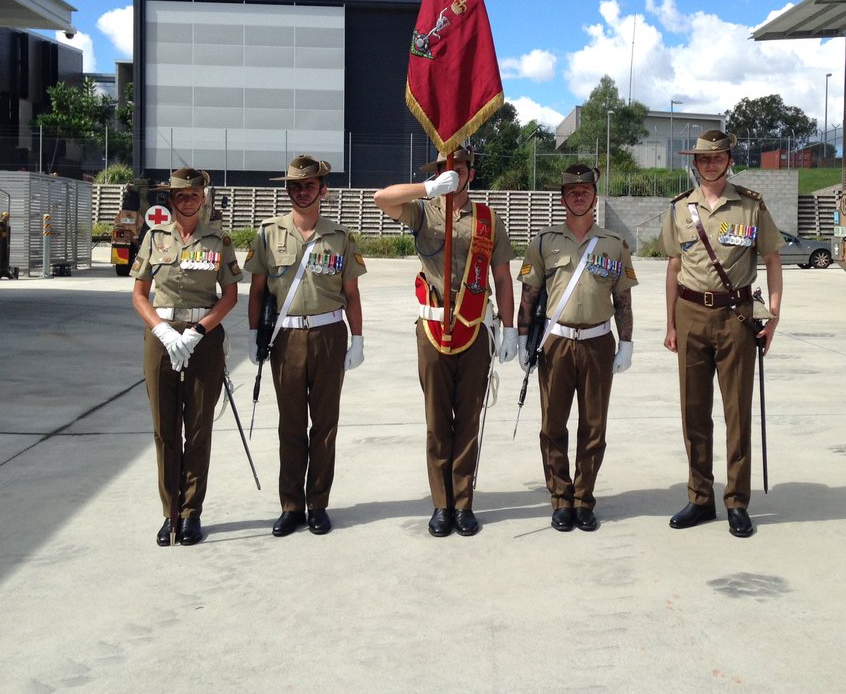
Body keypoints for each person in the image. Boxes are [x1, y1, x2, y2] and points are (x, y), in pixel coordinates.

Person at [373, 146, 517, 537]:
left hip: (475, 328)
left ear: (471, 172)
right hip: (433, 329)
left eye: (460, 168)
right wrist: (428, 188)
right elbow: (381, 198)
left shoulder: (488, 219)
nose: (454, 173)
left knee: (469, 419)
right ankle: (441, 504)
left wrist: (510, 327)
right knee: (438, 422)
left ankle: (463, 502)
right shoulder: (423, 211)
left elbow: (502, 278)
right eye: (446, 168)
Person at [661, 130, 781, 539]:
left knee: (736, 413)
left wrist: (775, 314)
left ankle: (737, 501)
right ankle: (699, 497)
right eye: (703, 159)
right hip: (691, 313)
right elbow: (674, 269)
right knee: (693, 412)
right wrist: (671, 324)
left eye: (718, 159)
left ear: (729, 161)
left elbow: (772, 258)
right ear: (694, 164)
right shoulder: (679, 209)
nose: (710, 165)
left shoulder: (750, 206)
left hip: (736, 317)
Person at [244, 156, 365, 537]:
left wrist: (358, 338)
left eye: (309, 186)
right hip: (287, 338)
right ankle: (291, 504)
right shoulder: (268, 233)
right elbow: (258, 290)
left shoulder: (340, 237)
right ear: (288, 191)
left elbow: (352, 295)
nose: (301, 192)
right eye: (295, 186)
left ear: (322, 191)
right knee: (291, 424)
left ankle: (318, 504)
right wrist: (253, 334)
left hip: (329, 335)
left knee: (325, 424)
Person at [517, 164, 636, 532]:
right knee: (552, 425)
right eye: (572, 192)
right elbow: (530, 293)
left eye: (585, 191)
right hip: (556, 343)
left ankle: (584, 498)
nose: (579, 196)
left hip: (599, 342)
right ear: (563, 198)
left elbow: (623, 299)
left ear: (595, 197)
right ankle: (560, 497)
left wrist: (627, 342)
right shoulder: (543, 242)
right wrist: (522, 338)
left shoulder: (615, 244)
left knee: (593, 426)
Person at [131, 167, 241, 546]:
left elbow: (229, 295)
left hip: (202, 338)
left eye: (194, 195)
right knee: (164, 428)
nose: (188, 201)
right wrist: (160, 329)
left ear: (203, 198)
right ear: (171, 200)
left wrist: (199, 331)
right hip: (161, 336)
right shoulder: (154, 238)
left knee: (198, 428)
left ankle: (192, 512)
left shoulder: (218, 239)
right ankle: (170, 513)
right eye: (180, 196)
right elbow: (139, 294)